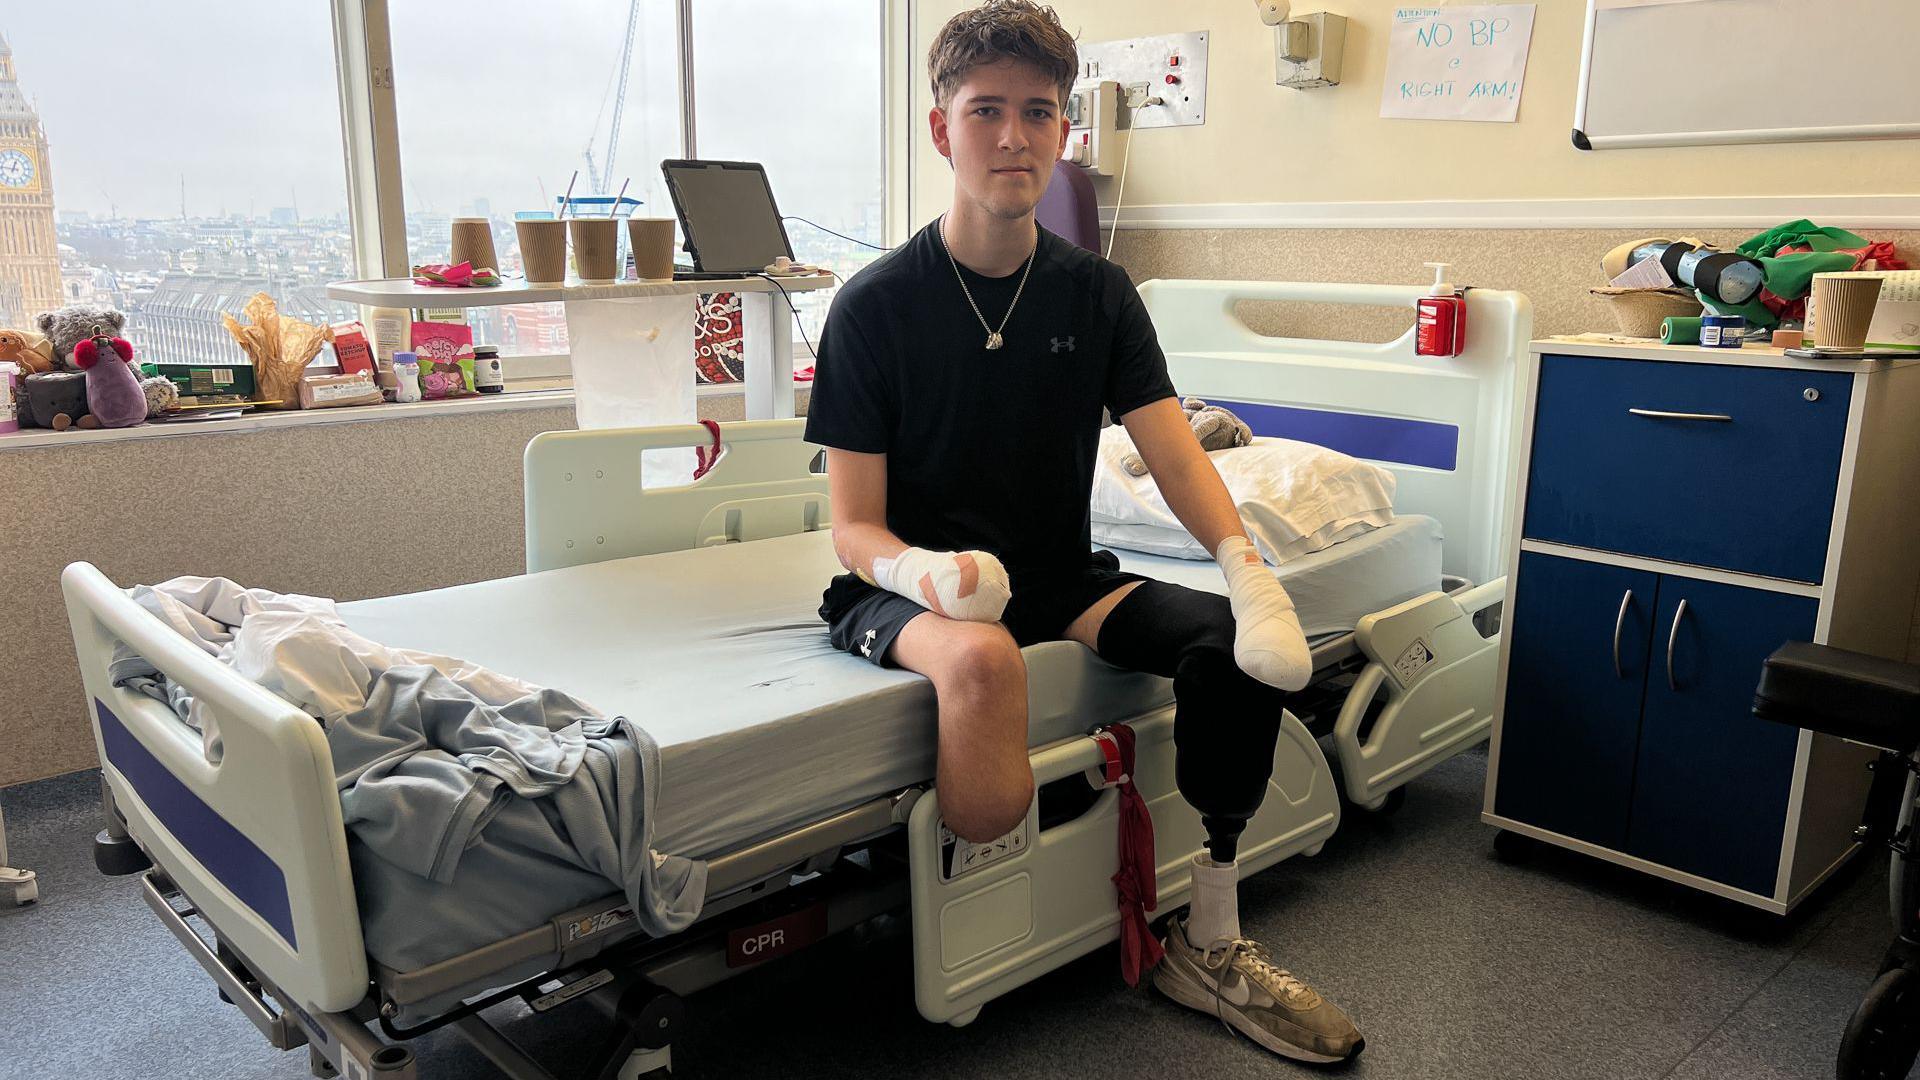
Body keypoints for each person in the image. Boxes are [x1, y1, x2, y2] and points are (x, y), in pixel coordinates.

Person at [802, 0, 1364, 1064]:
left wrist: (1244, 568)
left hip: (1059, 576)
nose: (1012, 136)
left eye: (1038, 112)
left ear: (1064, 132)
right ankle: (988, 901)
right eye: (985, 112)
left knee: (1232, 656)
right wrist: (929, 574)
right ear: (941, 131)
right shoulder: (875, 307)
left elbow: (1173, 452)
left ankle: (1213, 935)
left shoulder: (1099, 294)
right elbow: (854, 529)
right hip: (909, 589)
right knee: (979, 663)